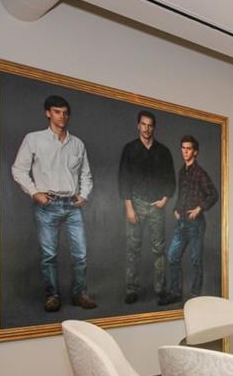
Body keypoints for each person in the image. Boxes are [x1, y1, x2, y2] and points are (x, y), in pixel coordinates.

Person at [11, 94, 97, 312]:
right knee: (49, 255)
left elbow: (86, 174)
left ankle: (80, 294)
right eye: (57, 112)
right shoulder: (34, 139)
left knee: (81, 254)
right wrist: (34, 193)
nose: (62, 116)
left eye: (66, 112)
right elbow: (18, 169)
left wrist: (84, 195)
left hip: (72, 205)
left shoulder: (77, 143)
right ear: (48, 113)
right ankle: (52, 296)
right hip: (47, 205)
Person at [118, 110, 175, 304]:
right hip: (136, 204)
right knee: (133, 249)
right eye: (143, 124)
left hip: (156, 206)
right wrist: (129, 207)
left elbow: (170, 179)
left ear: (154, 127)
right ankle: (131, 289)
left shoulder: (163, 151)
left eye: (150, 125)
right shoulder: (129, 149)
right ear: (138, 125)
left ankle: (160, 289)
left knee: (158, 250)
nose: (147, 128)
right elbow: (123, 179)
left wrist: (164, 201)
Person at [160, 135, 218, 305]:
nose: (185, 151)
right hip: (181, 222)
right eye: (183, 148)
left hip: (196, 225)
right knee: (172, 256)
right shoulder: (181, 171)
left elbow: (213, 194)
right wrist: (175, 209)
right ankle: (176, 292)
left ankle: (195, 294)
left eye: (189, 148)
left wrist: (200, 208)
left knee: (195, 260)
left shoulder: (200, 173)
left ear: (195, 152)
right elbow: (181, 196)